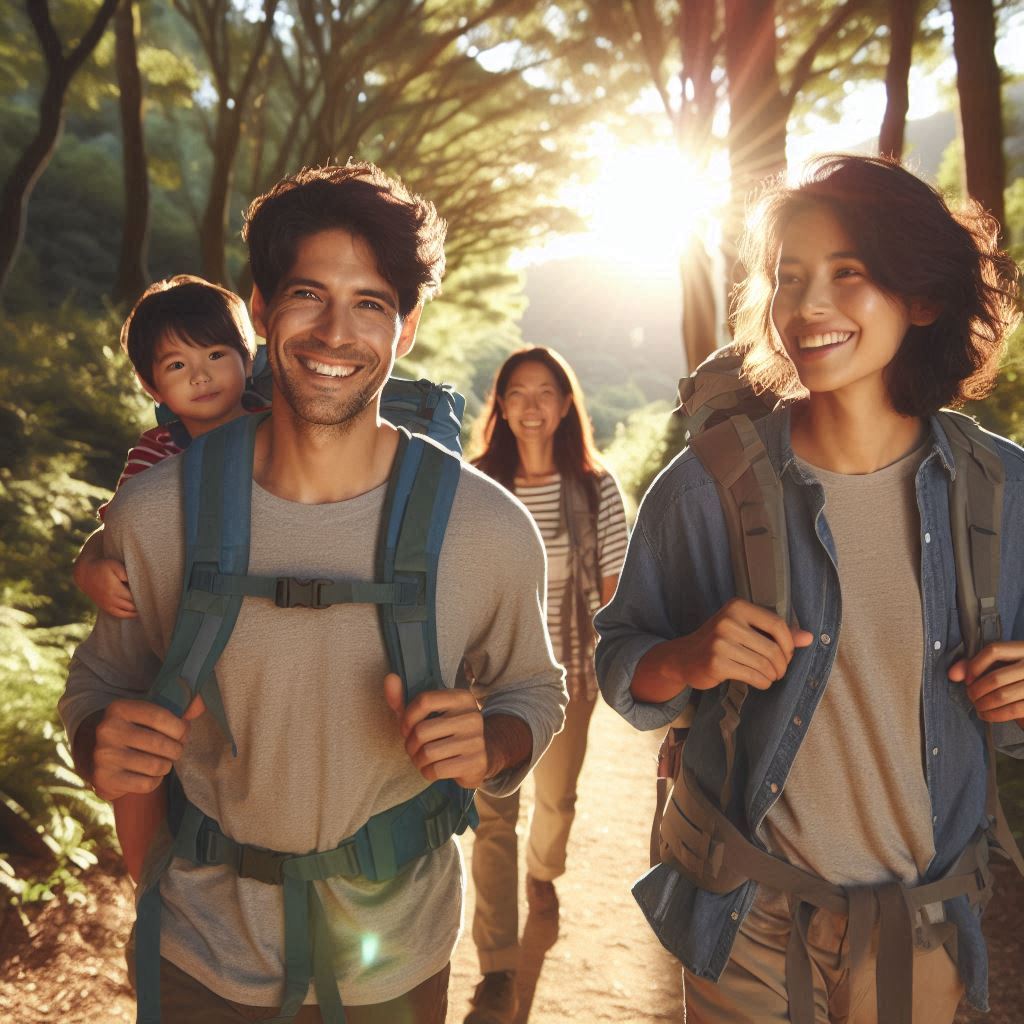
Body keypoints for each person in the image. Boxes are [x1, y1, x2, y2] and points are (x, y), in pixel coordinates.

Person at [59, 162, 567, 1024]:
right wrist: (96, 739)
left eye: (370, 302)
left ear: (405, 329)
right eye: (307, 294)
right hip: (197, 951)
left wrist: (496, 742)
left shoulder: (485, 527)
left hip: (394, 959)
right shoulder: (153, 511)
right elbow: (100, 687)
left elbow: (533, 690)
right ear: (259, 310)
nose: (336, 333)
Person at [595, 154, 1024, 1023]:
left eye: (848, 275)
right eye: (789, 278)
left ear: (924, 298)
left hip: (922, 927)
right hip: (746, 916)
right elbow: (620, 664)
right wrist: (685, 656)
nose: (807, 306)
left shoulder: (1004, 491)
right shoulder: (705, 488)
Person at [71, 275, 258, 882]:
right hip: (176, 620)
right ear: (152, 385)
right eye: (178, 364)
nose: (201, 376)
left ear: (247, 360)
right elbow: (117, 531)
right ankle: (145, 882)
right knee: (139, 740)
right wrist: (90, 566)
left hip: (256, 614)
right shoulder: (155, 454)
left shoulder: (280, 429)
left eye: (215, 355)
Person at [465, 346, 628, 1024]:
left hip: (569, 677)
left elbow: (616, 594)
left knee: (556, 803)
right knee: (491, 819)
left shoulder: (596, 488)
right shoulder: (473, 485)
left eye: (546, 393)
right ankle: (497, 966)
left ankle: (545, 875)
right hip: (484, 685)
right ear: (499, 405)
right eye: (517, 393)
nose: (531, 406)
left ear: (565, 406)